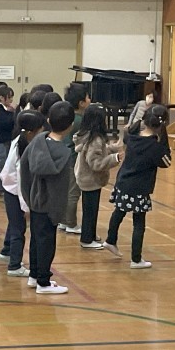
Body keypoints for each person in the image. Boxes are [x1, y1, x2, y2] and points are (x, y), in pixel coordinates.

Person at [103, 104, 172, 269]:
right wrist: (164, 138)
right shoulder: (154, 147)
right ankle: (136, 259)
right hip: (139, 188)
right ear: (161, 125)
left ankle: (110, 240)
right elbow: (166, 162)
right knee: (139, 222)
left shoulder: (131, 136)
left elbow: (131, 132)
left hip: (123, 182)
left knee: (119, 211)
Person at [20, 101, 75, 294]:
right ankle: (43, 282)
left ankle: (34, 275)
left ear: (49, 120)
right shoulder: (64, 153)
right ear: (71, 125)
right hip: (50, 206)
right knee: (47, 244)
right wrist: (58, 211)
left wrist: (28, 197)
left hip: (34, 201)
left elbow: (24, 170)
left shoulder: (37, 141)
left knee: (36, 240)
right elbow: (59, 188)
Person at [0, 110, 46, 278]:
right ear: (31, 132)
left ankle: (6, 251)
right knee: (19, 230)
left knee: (14, 225)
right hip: (14, 191)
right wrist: (25, 206)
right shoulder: (23, 148)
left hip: (10, 189)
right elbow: (21, 181)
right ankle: (14, 265)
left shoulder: (19, 139)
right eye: (40, 129)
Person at [73, 103, 122, 250]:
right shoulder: (95, 140)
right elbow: (96, 163)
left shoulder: (87, 136)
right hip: (90, 180)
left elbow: (99, 150)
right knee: (90, 212)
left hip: (87, 178)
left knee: (91, 210)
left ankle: (91, 234)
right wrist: (114, 158)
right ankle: (86, 239)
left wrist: (112, 148)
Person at [58, 83, 91, 235]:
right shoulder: (79, 121)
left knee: (65, 191)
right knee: (73, 192)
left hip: (65, 158)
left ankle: (63, 220)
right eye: (88, 97)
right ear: (81, 103)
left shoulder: (69, 116)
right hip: (73, 159)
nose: (90, 100)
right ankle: (70, 223)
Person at [0, 86, 15, 196]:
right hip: (0, 140)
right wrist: (12, 113)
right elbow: (6, 123)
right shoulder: (0, 109)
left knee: (3, 163)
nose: (11, 100)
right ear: (1, 97)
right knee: (1, 163)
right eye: (9, 97)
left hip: (4, 140)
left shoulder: (5, 109)